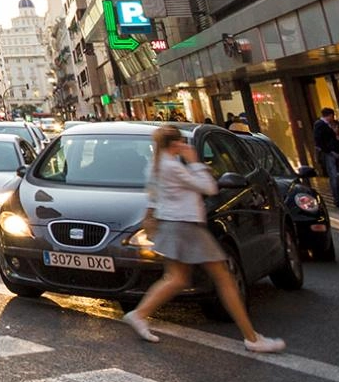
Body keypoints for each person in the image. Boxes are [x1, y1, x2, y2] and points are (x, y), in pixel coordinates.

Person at [123, 124, 286, 353]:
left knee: (177, 278)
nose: (185, 146)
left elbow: (153, 197)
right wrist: (196, 162)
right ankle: (251, 337)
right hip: (187, 227)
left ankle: (139, 314)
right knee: (224, 278)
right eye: (181, 143)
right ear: (175, 144)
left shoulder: (155, 167)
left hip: (172, 226)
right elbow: (209, 188)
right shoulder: (173, 168)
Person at [311, 108, 339, 211]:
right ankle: (337, 199)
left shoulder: (324, 125)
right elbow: (319, 141)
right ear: (329, 115)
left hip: (332, 153)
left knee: (337, 175)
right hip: (329, 154)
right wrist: (330, 152)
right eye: (332, 116)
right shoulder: (320, 124)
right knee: (334, 176)